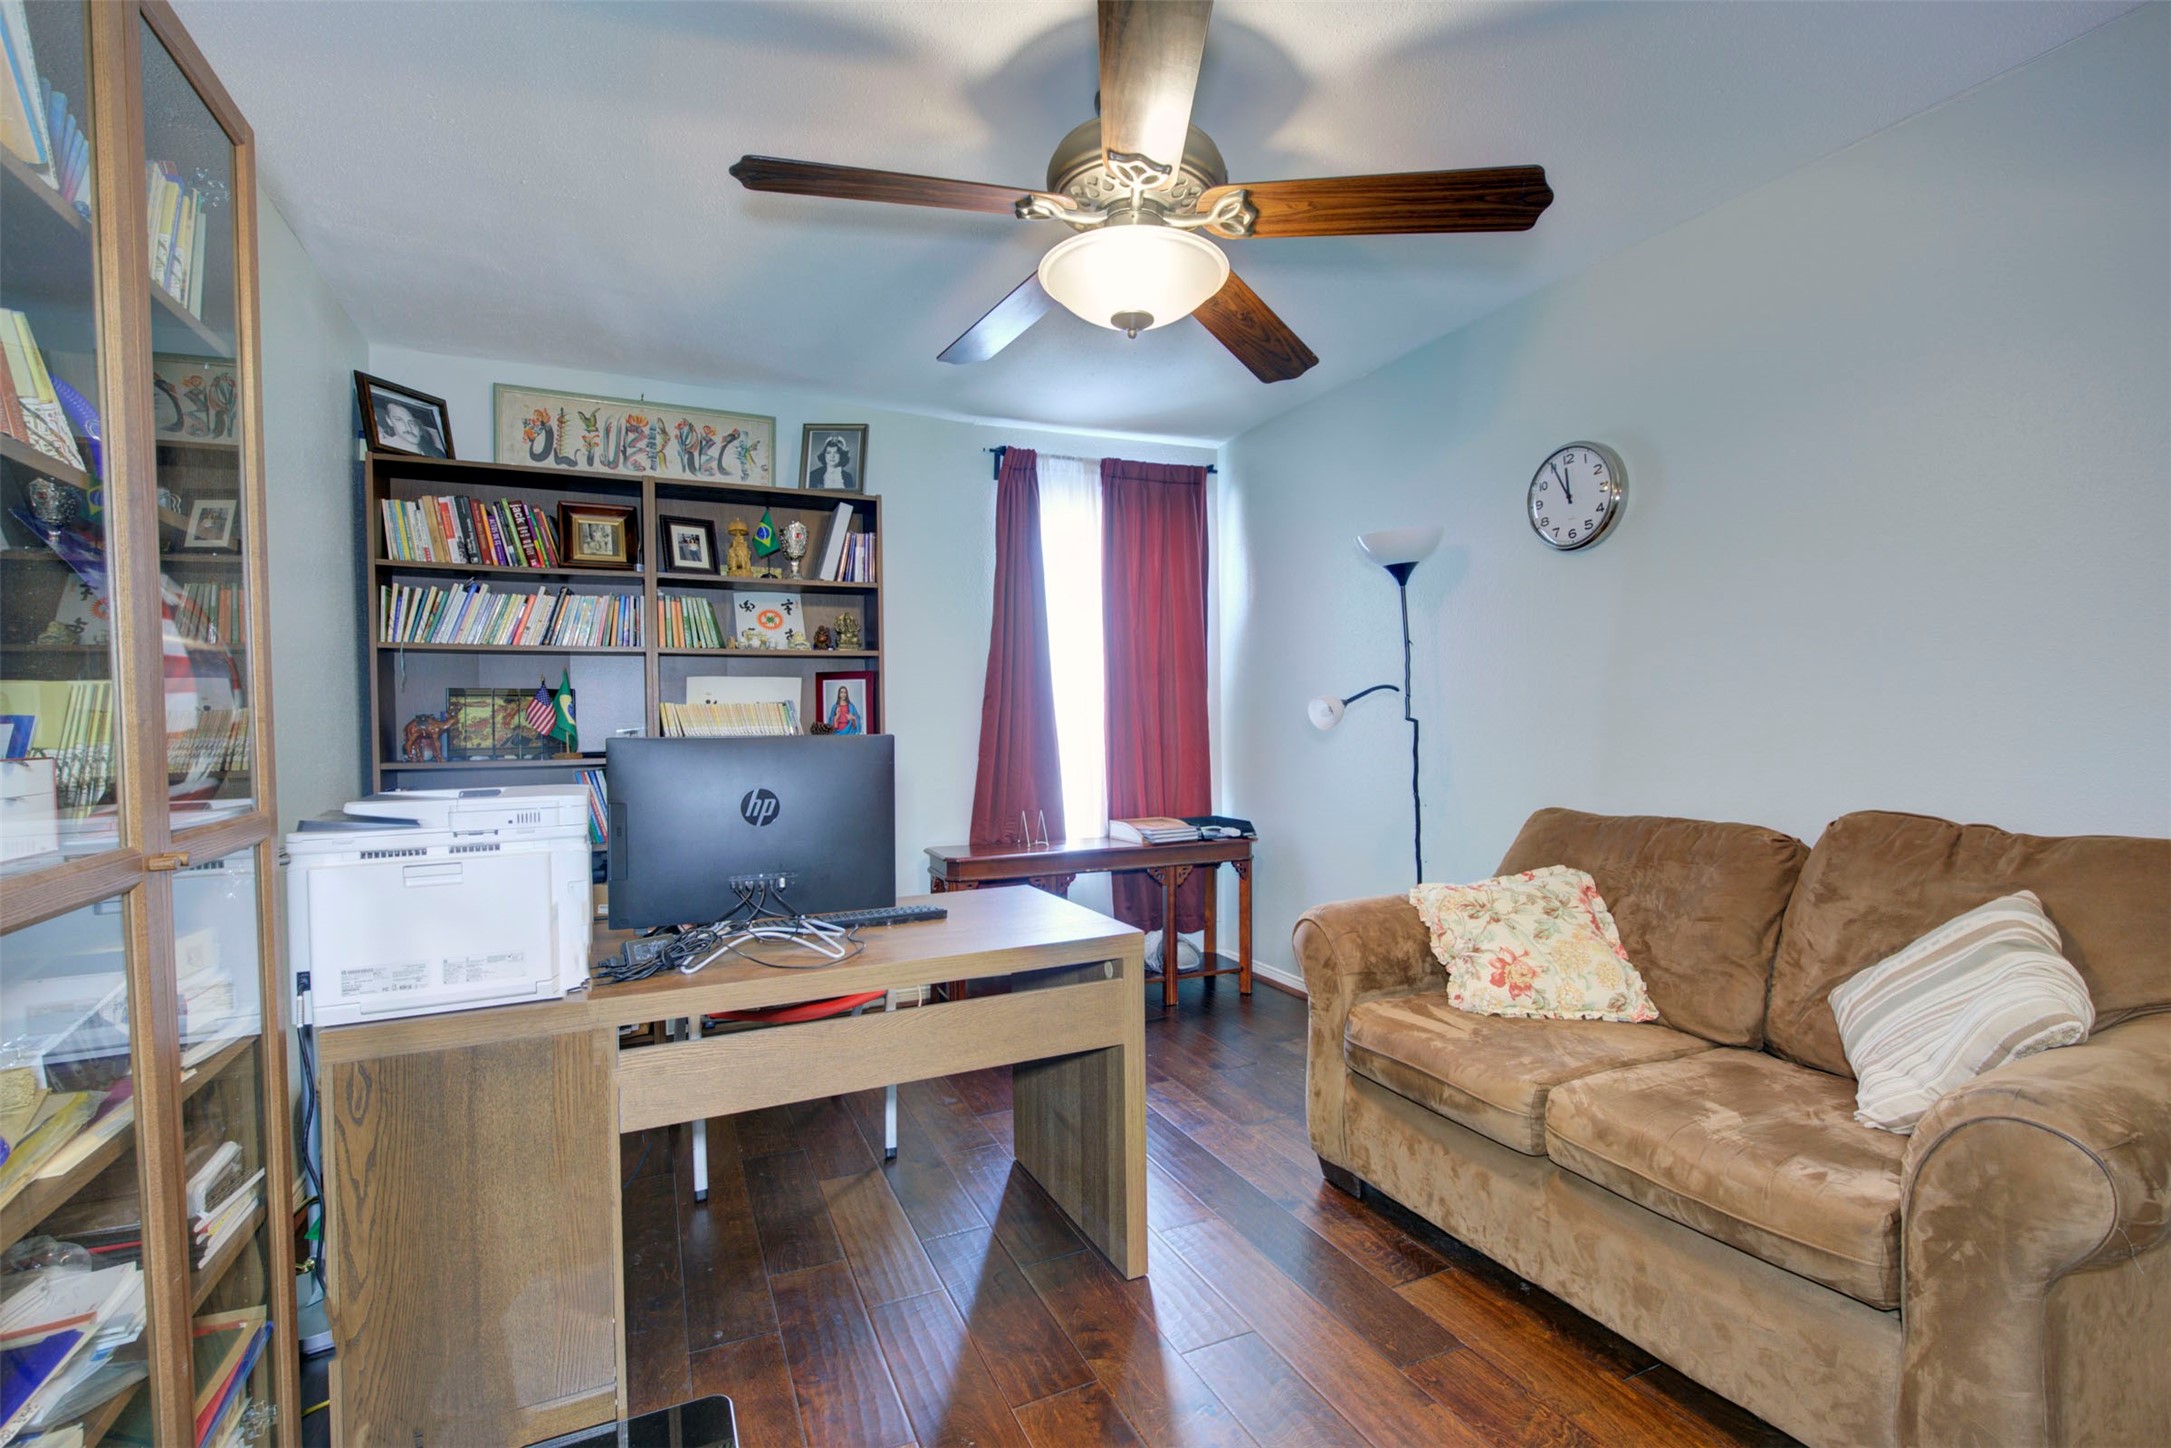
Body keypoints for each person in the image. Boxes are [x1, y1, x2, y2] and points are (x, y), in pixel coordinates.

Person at [378, 398, 445, 457]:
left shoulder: (435, 453)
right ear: (389, 420)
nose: (408, 428)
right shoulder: (383, 447)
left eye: (412, 423)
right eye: (399, 420)